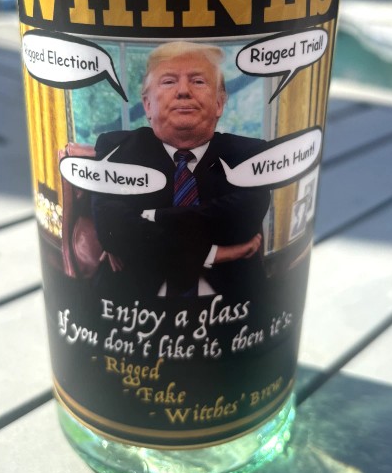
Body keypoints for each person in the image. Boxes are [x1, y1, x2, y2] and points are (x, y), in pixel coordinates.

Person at [91, 41, 270, 298]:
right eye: (168, 81)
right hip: (128, 305)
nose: (184, 91)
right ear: (147, 105)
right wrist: (217, 253)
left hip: (235, 304)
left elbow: (245, 217)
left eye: (198, 81)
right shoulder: (115, 149)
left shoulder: (249, 154)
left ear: (219, 103)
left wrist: (150, 217)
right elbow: (113, 227)